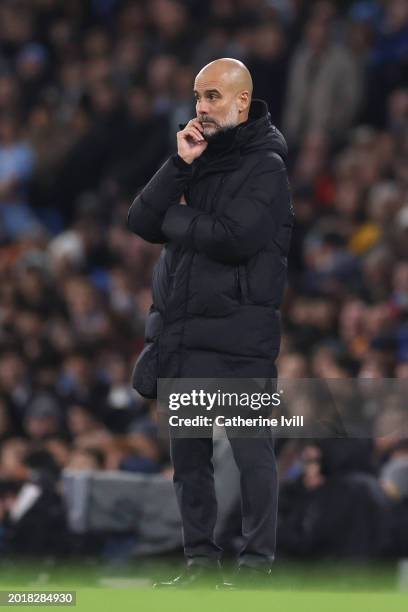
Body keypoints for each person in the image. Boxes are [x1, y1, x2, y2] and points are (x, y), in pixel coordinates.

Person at [128, 58, 294, 588]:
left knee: (252, 455)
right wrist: (178, 166)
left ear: (242, 102)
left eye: (214, 97)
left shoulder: (267, 163)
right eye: (199, 96)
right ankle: (200, 565)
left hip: (241, 335)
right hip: (185, 331)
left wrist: (176, 218)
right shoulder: (195, 154)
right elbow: (139, 219)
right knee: (190, 460)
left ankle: (256, 569)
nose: (201, 107)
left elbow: (235, 237)